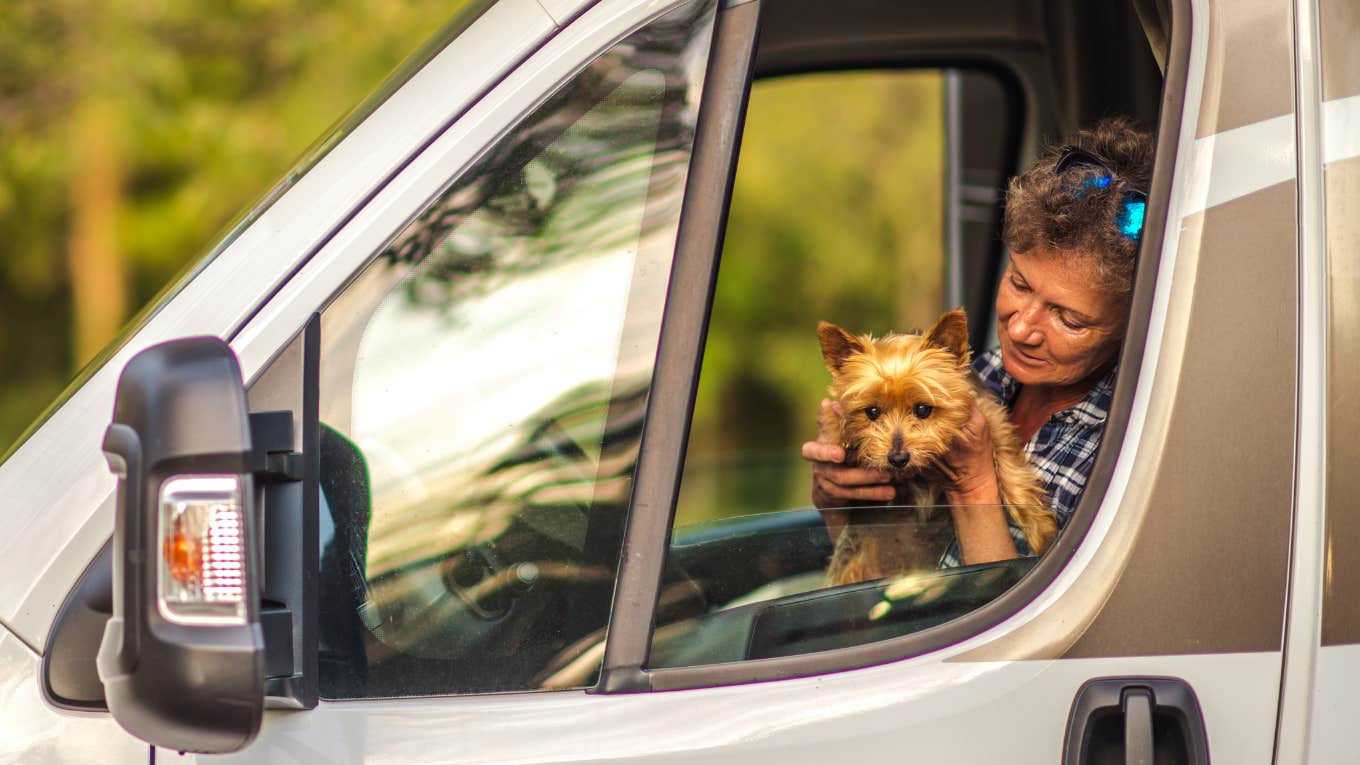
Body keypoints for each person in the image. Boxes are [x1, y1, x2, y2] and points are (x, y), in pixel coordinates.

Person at [801, 116, 1154, 568]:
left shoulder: (1129, 444)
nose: (1023, 328)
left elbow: (1032, 626)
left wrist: (974, 487)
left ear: (1135, 320)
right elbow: (884, 576)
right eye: (1020, 284)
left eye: (1069, 317)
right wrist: (843, 502)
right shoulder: (981, 375)